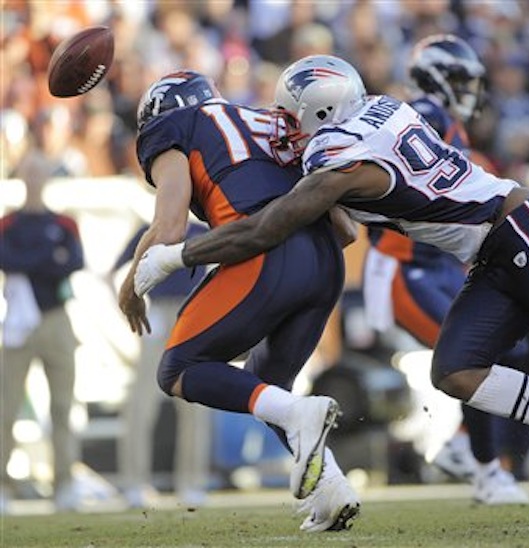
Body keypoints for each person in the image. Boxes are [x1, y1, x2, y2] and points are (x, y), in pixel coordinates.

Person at [135, 55, 529, 523]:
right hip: (493, 251)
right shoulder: (386, 110)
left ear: (319, 112)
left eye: (292, 116)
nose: (285, 127)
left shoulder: (333, 161)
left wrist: (179, 255)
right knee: (457, 369)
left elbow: (268, 228)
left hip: (520, 231)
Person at [118, 70, 359, 532]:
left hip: (263, 251)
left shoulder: (173, 127)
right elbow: (346, 229)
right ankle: (332, 487)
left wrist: (131, 284)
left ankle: (302, 416)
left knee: (178, 369)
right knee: (268, 385)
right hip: (326, 260)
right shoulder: (267, 120)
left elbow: (169, 230)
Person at [362, 34, 529, 505]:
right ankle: (484, 469)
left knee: (506, 349)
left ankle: (463, 443)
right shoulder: (426, 115)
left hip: (438, 267)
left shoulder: (453, 128)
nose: (469, 90)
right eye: (459, 79)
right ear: (432, 80)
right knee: (473, 359)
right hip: (404, 268)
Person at [0, 150, 84, 512]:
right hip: (19, 320)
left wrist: (33, 262)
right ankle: (4, 484)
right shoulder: (9, 224)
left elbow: (75, 261)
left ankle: (64, 481)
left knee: (63, 405)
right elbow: (8, 260)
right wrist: (48, 259)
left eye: (39, 172)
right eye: (29, 172)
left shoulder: (64, 223)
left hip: (55, 319)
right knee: (7, 408)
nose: (34, 179)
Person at [110, 222, 211, 509]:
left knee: (196, 403)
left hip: (191, 313)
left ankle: (192, 482)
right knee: (141, 403)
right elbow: (113, 274)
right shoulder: (149, 231)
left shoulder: (200, 232)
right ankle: (133, 482)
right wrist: (126, 313)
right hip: (158, 313)